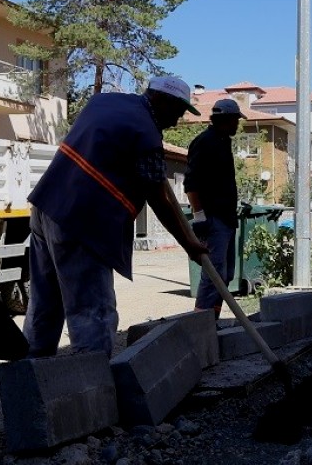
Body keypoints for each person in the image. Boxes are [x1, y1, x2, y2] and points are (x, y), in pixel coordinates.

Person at [24, 76, 211, 357]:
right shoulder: (145, 134)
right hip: (82, 221)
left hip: (47, 205)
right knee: (93, 312)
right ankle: (93, 387)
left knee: (45, 302)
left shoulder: (105, 102)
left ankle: (30, 378)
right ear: (162, 100)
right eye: (177, 112)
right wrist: (189, 244)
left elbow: (150, 178)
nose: (175, 122)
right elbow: (158, 198)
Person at [185, 98, 245, 317]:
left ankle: (212, 319)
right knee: (213, 275)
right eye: (236, 120)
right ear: (226, 119)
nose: (238, 125)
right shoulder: (205, 142)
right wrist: (200, 216)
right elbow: (190, 183)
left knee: (226, 274)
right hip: (214, 220)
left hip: (226, 220)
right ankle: (200, 323)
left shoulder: (222, 141)